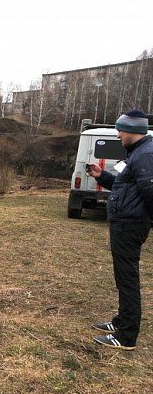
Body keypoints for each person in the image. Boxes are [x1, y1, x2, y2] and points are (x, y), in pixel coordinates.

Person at [86, 109, 153, 350]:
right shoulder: (138, 153)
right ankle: (121, 321)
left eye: (120, 130)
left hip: (130, 224)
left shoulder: (145, 155)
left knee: (127, 280)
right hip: (125, 223)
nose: (118, 135)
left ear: (133, 130)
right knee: (123, 277)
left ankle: (126, 337)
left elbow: (150, 193)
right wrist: (101, 176)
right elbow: (125, 187)